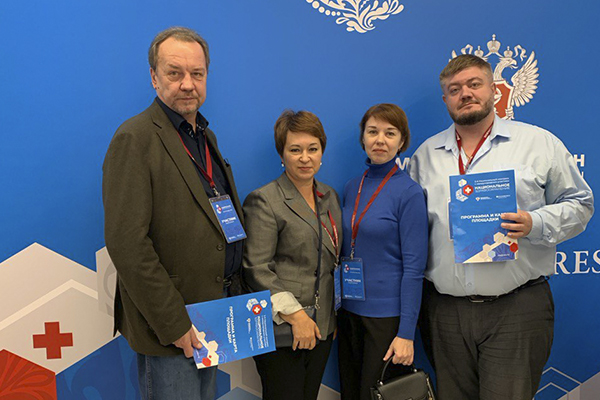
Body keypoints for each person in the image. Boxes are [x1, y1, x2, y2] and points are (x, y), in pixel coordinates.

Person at [409, 54, 594, 400]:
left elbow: (581, 204)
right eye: (455, 89)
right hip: (445, 312)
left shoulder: (538, 143)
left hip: (516, 308)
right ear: (445, 99)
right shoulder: (425, 155)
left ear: (494, 90)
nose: (465, 93)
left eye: (474, 84)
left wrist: (535, 222)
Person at [103, 27, 244, 400]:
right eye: (174, 73)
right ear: (154, 77)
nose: (187, 84)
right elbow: (127, 244)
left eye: (197, 73)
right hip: (173, 327)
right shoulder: (135, 138)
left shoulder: (204, 137)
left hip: (211, 317)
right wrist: (175, 323)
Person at [242, 110, 341, 400]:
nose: (305, 158)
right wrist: (297, 317)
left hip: (322, 326)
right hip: (284, 329)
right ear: (282, 155)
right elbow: (257, 268)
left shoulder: (330, 196)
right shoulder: (265, 200)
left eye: (313, 149)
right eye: (295, 150)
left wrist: (328, 316)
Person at [337, 103, 429, 400]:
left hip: (387, 320)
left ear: (402, 142)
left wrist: (406, 333)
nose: (380, 140)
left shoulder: (409, 192)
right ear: (363, 138)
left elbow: (414, 269)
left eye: (390, 133)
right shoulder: (352, 187)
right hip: (349, 314)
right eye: (373, 131)